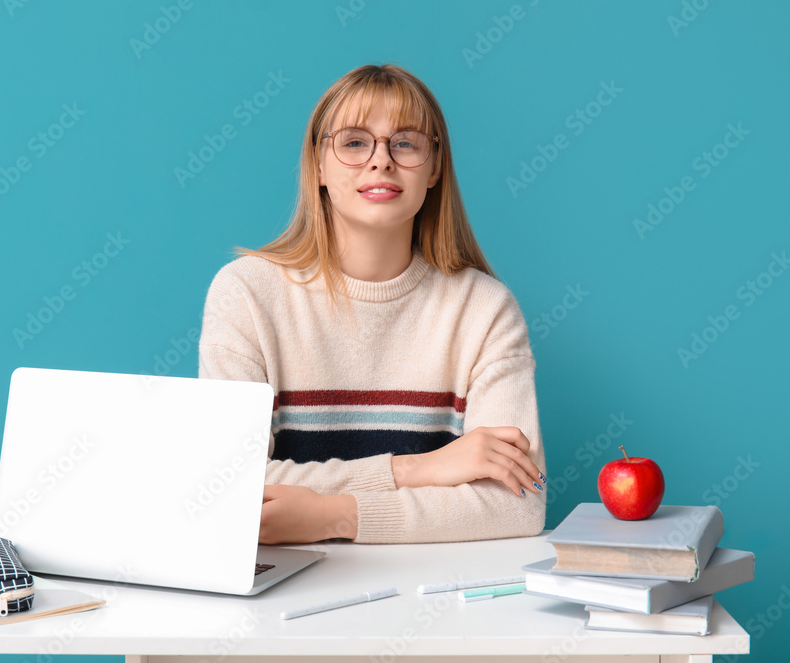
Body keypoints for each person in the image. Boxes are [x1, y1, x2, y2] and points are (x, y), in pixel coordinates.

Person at [198, 64, 546, 545]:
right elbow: (226, 484)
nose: (381, 161)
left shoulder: (484, 309)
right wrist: (420, 468)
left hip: (434, 592)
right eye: (355, 142)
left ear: (434, 167)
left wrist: (335, 516)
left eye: (405, 143)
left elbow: (516, 505)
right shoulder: (246, 294)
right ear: (318, 165)